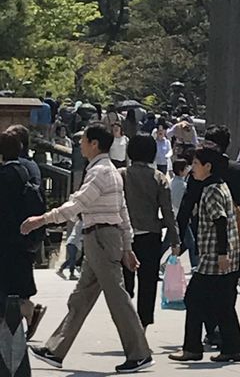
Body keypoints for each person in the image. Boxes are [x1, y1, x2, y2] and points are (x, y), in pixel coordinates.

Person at [22, 122, 153, 374]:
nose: (80, 144)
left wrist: (41, 219)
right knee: (81, 298)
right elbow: (122, 211)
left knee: (117, 298)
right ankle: (55, 349)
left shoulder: (100, 172)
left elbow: (77, 205)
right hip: (102, 238)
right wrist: (126, 246)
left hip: (101, 238)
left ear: (94, 144)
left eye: (83, 141)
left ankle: (139, 353)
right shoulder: (110, 170)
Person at [169, 142, 240, 364]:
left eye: (196, 163)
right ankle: (233, 348)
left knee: (193, 299)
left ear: (208, 166)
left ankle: (192, 348)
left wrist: (221, 254)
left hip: (213, 258)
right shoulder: (221, 186)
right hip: (225, 256)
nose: (192, 168)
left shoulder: (210, 191)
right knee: (223, 304)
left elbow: (219, 221)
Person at [120, 134, 180, 330]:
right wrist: (174, 237)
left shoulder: (121, 175)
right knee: (148, 282)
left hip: (124, 235)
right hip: (151, 236)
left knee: (125, 283)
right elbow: (168, 210)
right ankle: (143, 323)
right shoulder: (159, 177)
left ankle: (127, 322)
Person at [0, 131, 46, 341]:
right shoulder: (26, 170)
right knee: (15, 288)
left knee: (6, 289)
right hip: (23, 238)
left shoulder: (4, 176)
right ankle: (27, 311)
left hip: (6, 241)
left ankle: (26, 313)